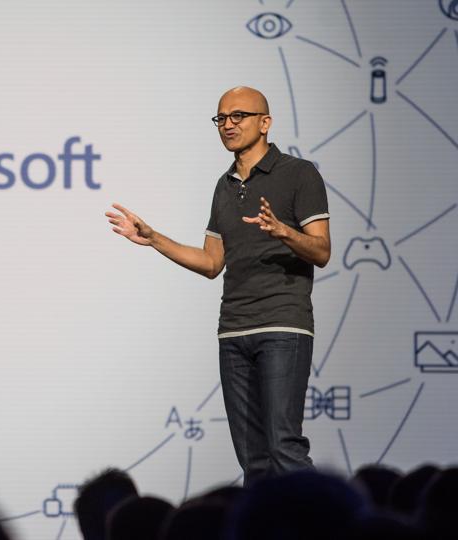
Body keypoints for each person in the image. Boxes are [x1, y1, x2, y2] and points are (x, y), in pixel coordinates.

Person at [105, 86, 331, 485]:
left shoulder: (299, 174)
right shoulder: (224, 185)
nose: (228, 125)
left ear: (265, 123)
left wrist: (283, 232)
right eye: (221, 118)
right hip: (234, 331)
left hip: (282, 326)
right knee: (253, 461)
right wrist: (153, 237)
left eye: (238, 116)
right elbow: (212, 262)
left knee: (284, 448)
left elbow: (322, 250)